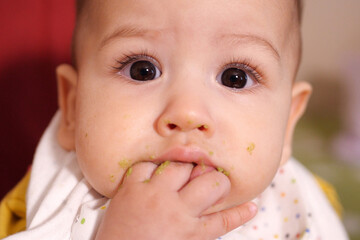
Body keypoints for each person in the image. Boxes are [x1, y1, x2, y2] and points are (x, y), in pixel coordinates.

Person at [0, 0, 349, 239]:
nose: (187, 113)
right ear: (73, 109)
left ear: (287, 123)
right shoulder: (36, 208)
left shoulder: (306, 207)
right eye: (142, 70)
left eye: (235, 77)